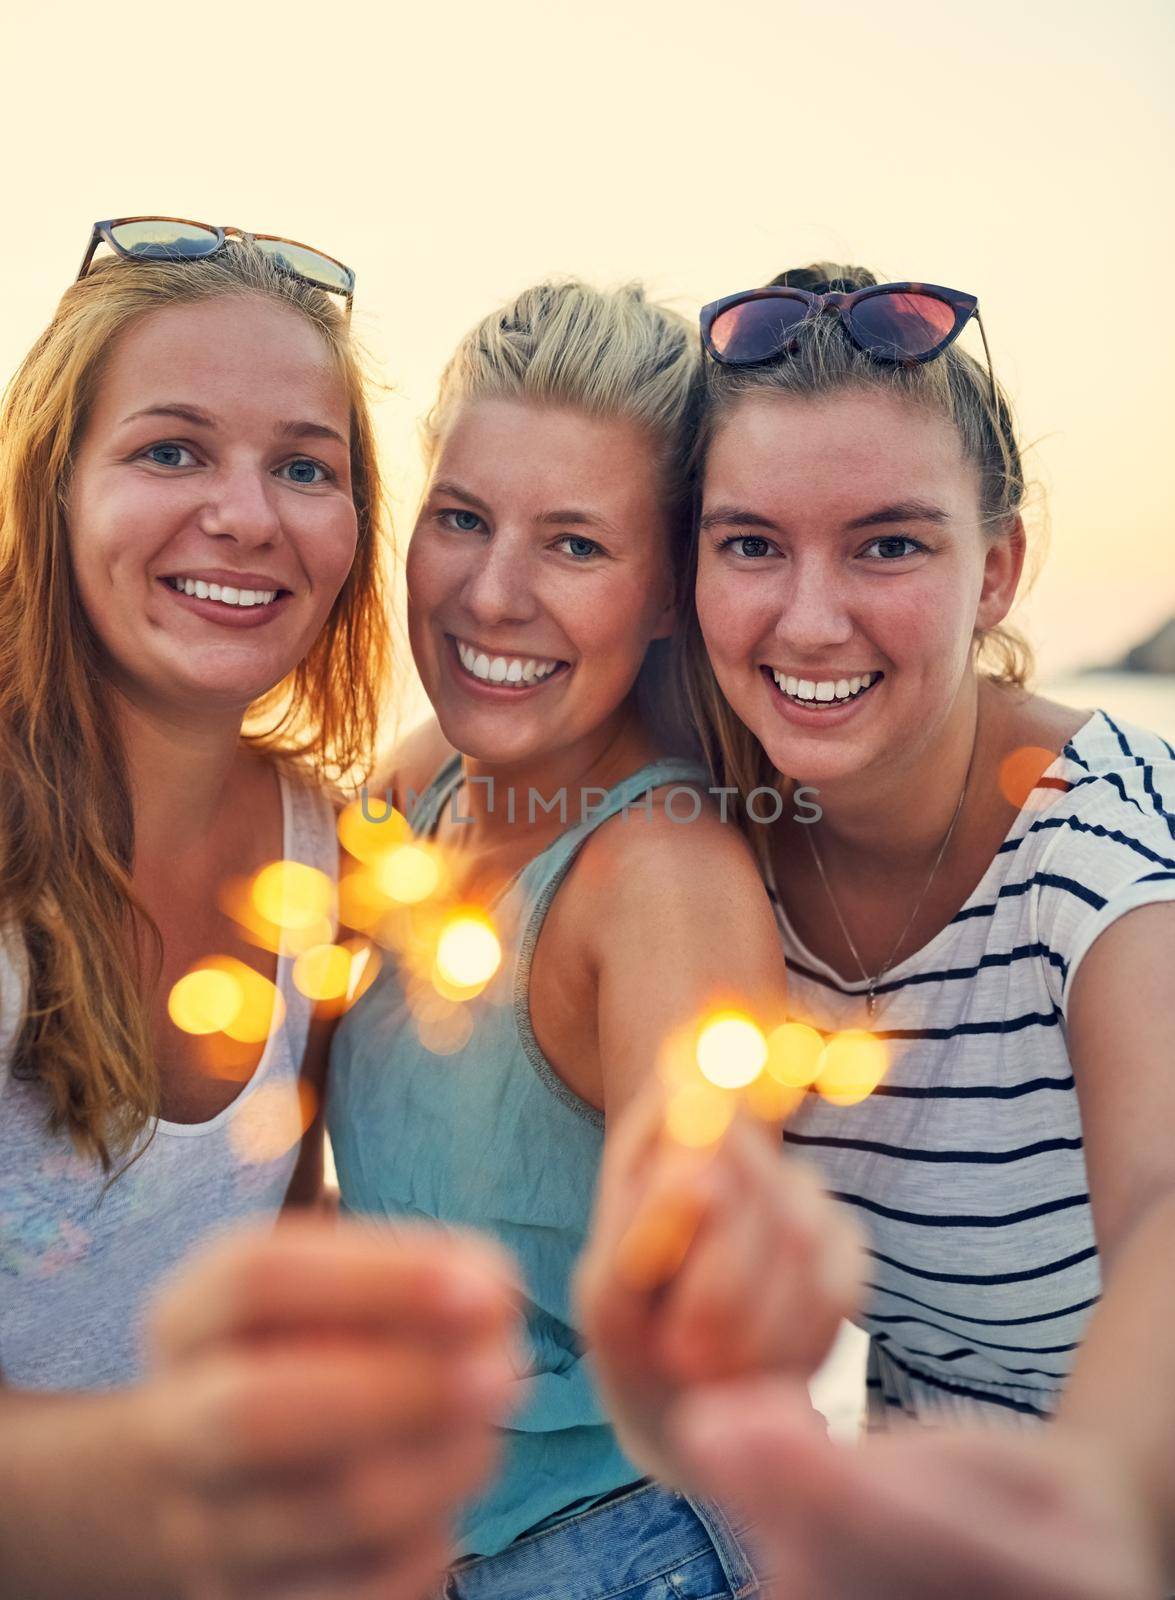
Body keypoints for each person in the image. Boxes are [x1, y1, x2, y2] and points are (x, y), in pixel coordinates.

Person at [0, 223, 521, 1600]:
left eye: (306, 466)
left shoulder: (333, 858)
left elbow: (283, 1284)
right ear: (54, 489)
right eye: (172, 450)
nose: (248, 515)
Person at [327, 279, 862, 1598]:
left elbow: (717, 1327)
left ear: (668, 592)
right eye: (461, 519)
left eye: (574, 545)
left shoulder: (658, 879)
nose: (492, 593)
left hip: (632, 1552)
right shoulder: (419, 789)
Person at [670, 262, 1175, 1594]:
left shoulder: (1102, 849)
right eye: (752, 544)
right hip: (903, 1507)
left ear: (997, 570)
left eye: (889, 544)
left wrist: (1090, 1513)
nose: (811, 617)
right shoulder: (700, 807)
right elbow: (461, 765)